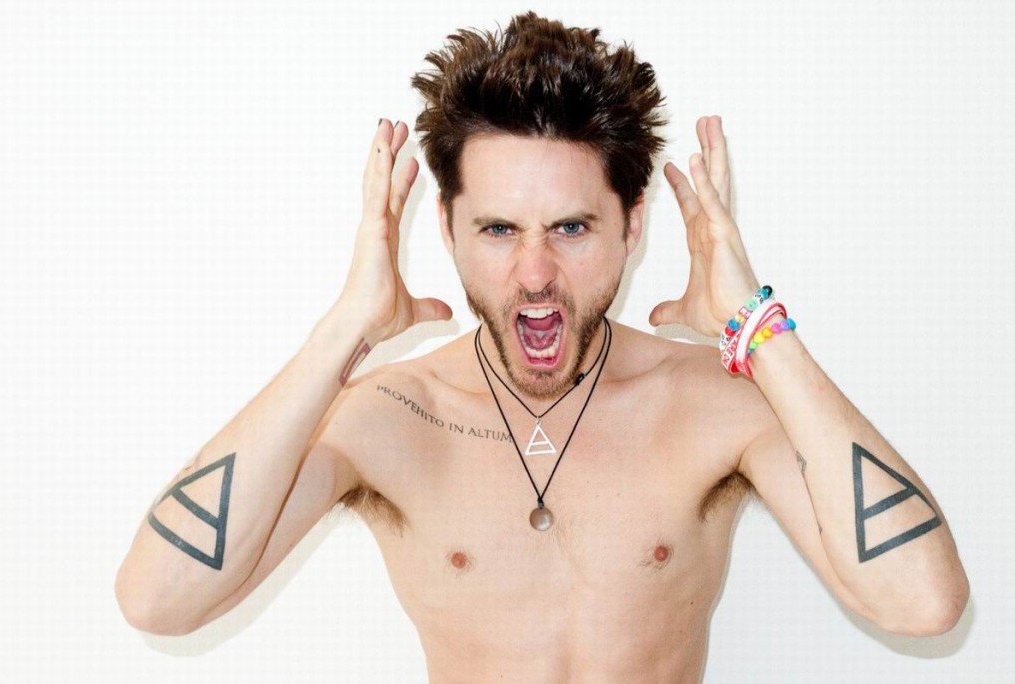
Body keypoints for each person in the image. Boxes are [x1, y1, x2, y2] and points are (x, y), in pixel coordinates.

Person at [115, 11, 969, 681]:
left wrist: (757, 326)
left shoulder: (714, 403)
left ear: (632, 227)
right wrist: (343, 331)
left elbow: (924, 603)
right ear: (445, 229)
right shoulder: (391, 416)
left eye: (570, 228)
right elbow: (158, 601)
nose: (534, 274)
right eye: (498, 229)